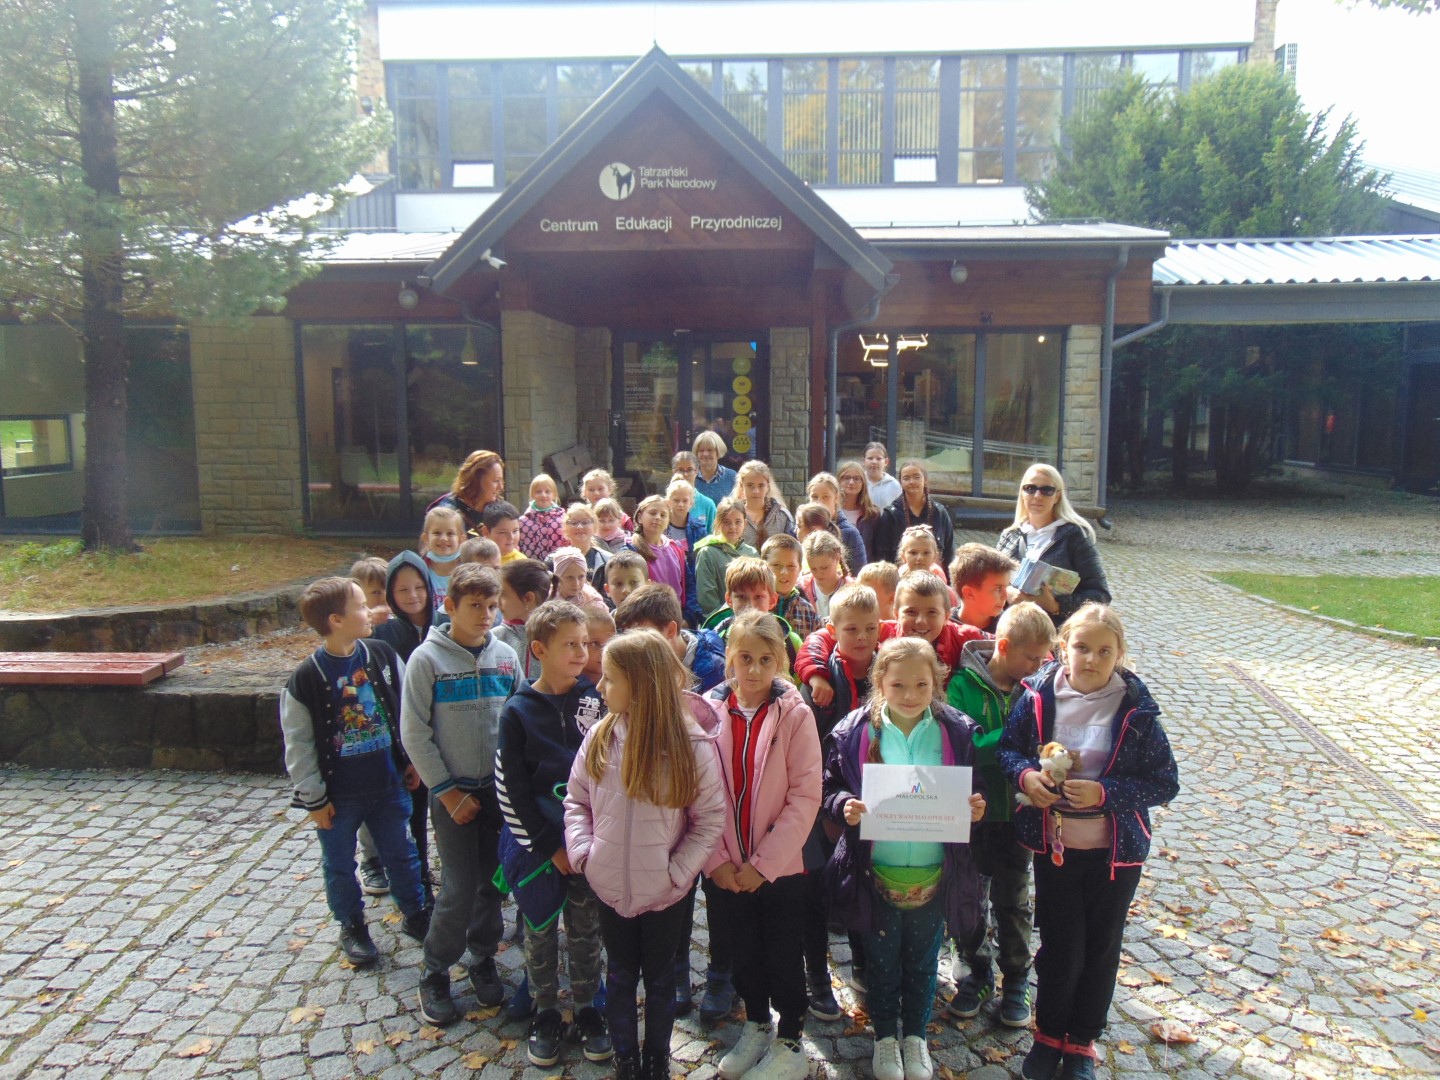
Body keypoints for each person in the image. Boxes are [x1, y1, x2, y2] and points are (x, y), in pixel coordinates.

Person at [998, 604, 1178, 1080]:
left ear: (1119, 654)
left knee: (1100, 948)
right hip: (1056, 847)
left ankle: (1081, 1041)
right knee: (1062, 947)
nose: (1091, 659)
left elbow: (1164, 781)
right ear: (1063, 649)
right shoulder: (1039, 696)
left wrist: (1106, 793)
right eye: (1081, 647)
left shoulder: (1135, 710)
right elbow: (1009, 749)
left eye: (1104, 651)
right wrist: (1027, 776)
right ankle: (1047, 1035)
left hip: (1115, 854)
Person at [564, 630, 728, 1080]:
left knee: (659, 979)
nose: (600, 686)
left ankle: (656, 1058)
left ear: (641, 684)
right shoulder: (600, 735)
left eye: (610, 678)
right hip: (609, 885)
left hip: (663, 892)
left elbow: (708, 819)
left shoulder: (690, 746)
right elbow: (576, 800)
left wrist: (677, 873)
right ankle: (625, 1058)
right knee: (619, 975)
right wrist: (585, 853)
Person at [822, 637, 987, 1080]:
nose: (910, 695)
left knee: (922, 961)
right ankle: (884, 1039)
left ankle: (914, 1037)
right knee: (880, 963)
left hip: (935, 872)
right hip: (875, 871)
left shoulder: (954, 732)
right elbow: (831, 785)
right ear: (880, 682)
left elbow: (975, 787)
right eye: (898, 685)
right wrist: (843, 805)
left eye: (921, 684)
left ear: (937, 682)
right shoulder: (856, 732)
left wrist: (976, 805)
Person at [279, 577, 431, 966]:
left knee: (402, 852)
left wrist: (410, 759)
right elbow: (298, 745)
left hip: (387, 784)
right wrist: (314, 798)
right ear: (336, 620)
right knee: (339, 865)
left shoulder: (381, 655)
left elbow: (406, 711)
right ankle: (351, 923)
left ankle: (415, 912)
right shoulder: (306, 679)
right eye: (361, 606)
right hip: (339, 796)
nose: (371, 611)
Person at [701, 610, 822, 1080]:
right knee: (742, 950)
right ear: (730, 656)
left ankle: (790, 1037)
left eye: (765, 660)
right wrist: (716, 861)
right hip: (726, 867)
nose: (753, 669)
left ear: (780, 663)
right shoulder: (706, 712)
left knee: (783, 952)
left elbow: (805, 795)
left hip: (780, 868)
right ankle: (755, 1022)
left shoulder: (795, 714)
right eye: (745, 657)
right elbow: (696, 794)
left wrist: (764, 864)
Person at [402, 564, 523, 1025]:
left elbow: (517, 715)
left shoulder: (505, 656)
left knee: (492, 882)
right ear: (450, 606)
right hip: (452, 793)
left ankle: (482, 956)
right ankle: (435, 969)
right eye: (475, 606)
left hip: (496, 794)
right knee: (457, 886)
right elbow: (414, 732)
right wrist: (448, 792)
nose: (485, 615)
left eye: (492, 606)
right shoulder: (427, 661)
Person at [496, 601, 611, 1068]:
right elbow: (510, 791)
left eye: (585, 643)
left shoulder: (596, 699)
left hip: (587, 844)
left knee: (586, 928)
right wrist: (548, 846)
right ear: (539, 649)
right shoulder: (518, 712)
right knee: (539, 929)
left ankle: (587, 1007)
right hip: (537, 847)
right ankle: (545, 1011)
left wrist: (590, 839)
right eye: (570, 645)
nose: (582, 653)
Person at [945, 602, 1054, 1029]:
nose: (1039, 665)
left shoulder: (1037, 689)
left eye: (1043, 658)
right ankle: (976, 972)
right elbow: (965, 743)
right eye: (1032, 657)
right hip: (973, 813)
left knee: (1013, 901)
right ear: (1004, 647)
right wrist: (1013, 738)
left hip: (1018, 816)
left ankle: (1016, 978)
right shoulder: (962, 684)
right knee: (969, 897)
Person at [797, 583, 880, 1015]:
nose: (862, 637)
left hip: (871, 800)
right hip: (822, 797)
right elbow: (808, 744)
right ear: (832, 630)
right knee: (813, 888)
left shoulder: (888, 671)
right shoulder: (822, 680)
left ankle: (864, 962)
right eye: (851, 629)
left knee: (863, 883)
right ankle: (816, 975)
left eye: (870, 628)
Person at [365, 551, 441, 898]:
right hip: (405, 737)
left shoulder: (445, 625)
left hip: (444, 733)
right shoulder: (383, 635)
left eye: (418, 587)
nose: (412, 596)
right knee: (412, 813)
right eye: (402, 590)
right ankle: (417, 876)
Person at [798, 570, 983, 705]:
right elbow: (818, 640)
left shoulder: (961, 637)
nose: (921, 621)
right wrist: (816, 675)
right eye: (911, 612)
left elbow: (996, 644)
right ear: (896, 612)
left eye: (932, 612)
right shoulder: (882, 632)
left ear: (947, 615)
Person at [997, 464, 1111, 629]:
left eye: (1046, 490)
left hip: (1054, 633)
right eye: (1030, 488)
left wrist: (1056, 606)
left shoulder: (1075, 536)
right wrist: (1007, 592)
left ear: (1057, 496)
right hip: (1011, 630)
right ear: (1022, 493)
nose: (1037, 495)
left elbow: (1101, 595)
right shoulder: (1010, 536)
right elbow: (990, 582)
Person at [614, 582, 727, 696]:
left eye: (642, 637)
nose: (634, 646)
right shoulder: (636, 662)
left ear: (670, 630)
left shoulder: (714, 672)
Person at [625, 494, 700, 627]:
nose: (658, 517)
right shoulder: (630, 550)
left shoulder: (675, 548)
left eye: (663, 515)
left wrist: (688, 618)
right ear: (640, 517)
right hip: (647, 621)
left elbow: (689, 585)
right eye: (652, 513)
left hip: (678, 620)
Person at [873, 461, 955, 571]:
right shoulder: (891, 515)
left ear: (925, 480)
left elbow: (949, 553)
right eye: (906, 478)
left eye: (916, 477)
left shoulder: (939, 513)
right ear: (901, 482)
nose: (912, 482)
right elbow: (882, 555)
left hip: (935, 577)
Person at [693, 498, 759, 620]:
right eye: (726, 522)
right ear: (718, 523)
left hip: (752, 619)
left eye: (738, 522)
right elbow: (707, 598)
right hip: (721, 621)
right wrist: (726, 620)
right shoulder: (707, 553)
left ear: (745, 523)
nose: (732, 527)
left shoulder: (752, 553)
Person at [496, 559, 556, 683]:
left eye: (503, 595)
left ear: (528, 598)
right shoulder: (495, 638)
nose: (497, 602)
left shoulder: (555, 636)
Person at [429, 449, 505, 536]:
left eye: (502, 480)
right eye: (496, 481)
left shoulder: (499, 510)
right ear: (476, 480)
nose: (501, 487)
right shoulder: (447, 514)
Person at [950, 543, 1018, 634]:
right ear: (969, 593)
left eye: (1007, 587)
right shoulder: (942, 627)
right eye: (998, 589)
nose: (1005, 596)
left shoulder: (1010, 629)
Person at [807, 472, 867, 573]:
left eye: (825, 497)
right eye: (814, 497)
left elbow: (860, 573)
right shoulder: (801, 529)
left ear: (836, 498)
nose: (819, 502)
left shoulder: (849, 533)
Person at [761, 534, 820, 637]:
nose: (784, 572)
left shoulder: (807, 610)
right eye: (776, 565)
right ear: (763, 566)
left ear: (800, 569)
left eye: (791, 566)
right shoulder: (756, 604)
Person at [733, 460, 795, 549]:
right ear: (742, 486)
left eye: (761, 485)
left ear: (768, 486)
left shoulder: (782, 515)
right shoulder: (733, 514)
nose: (756, 491)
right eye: (750, 485)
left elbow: (793, 548)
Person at [895, 526, 958, 609]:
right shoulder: (895, 586)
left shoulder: (945, 592)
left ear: (935, 556)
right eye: (913, 553)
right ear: (903, 556)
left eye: (926, 553)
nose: (920, 558)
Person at [558, 502, 612, 591]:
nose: (579, 527)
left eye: (585, 522)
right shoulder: (554, 560)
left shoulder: (607, 560)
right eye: (574, 523)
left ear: (595, 527)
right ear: (565, 528)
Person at [419, 506, 466, 608]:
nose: (444, 538)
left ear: (461, 539)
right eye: (437, 533)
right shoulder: (419, 570)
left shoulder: (468, 571)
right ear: (426, 538)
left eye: (450, 533)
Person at [798, 531, 851, 622]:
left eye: (824, 568)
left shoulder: (852, 588)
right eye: (813, 569)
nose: (818, 574)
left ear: (837, 558)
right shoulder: (800, 589)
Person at [837, 460, 882, 563]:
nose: (851, 482)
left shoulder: (872, 514)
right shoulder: (832, 513)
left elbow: (877, 550)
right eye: (846, 478)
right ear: (838, 482)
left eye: (856, 478)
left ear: (863, 483)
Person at [519, 473, 567, 561]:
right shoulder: (523, 522)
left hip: (557, 565)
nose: (543, 495)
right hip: (531, 567)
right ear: (532, 494)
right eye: (538, 492)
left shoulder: (563, 520)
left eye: (548, 492)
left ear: (554, 494)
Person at [672, 451, 718, 530]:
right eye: (680, 470)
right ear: (674, 472)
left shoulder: (708, 505)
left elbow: (714, 534)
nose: (685, 474)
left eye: (689, 470)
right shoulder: (666, 504)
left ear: (696, 471)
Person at [693, 430, 739, 506]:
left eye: (709, 450)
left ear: (718, 452)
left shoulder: (731, 476)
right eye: (701, 450)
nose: (705, 454)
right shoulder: (690, 476)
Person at [351, 556, 390, 626]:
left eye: (389, 589)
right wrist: (368, 618)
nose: (386, 598)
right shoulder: (350, 620)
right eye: (376, 592)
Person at [862, 442, 901, 510]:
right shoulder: (858, 482)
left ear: (886, 462)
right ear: (864, 461)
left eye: (878, 459)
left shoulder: (894, 485)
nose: (874, 462)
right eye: (870, 458)